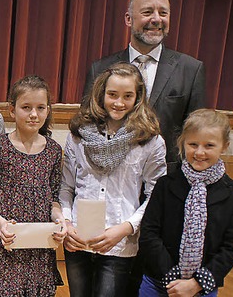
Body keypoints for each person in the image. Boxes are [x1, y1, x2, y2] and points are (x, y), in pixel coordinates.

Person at [59, 62, 167, 296]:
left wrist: (125, 229)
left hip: (119, 243)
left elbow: (156, 196)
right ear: (101, 94)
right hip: (77, 238)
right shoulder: (78, 135)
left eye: (128, 96)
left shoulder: (150, 141)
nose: (119, 103)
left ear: (138, 98)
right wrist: (67, 224)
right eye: (112, 95)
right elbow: (66, 187)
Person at [83, 0, 205, 166]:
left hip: (166, 181)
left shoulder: (191, 70)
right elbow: (88, 126)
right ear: (128, 19)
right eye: (148, 12)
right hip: (109, 178)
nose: (156, 19)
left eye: (163, 13)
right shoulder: (100, 69)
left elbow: (197, 132)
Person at [139, 109, 233, 297]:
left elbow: (232, 246)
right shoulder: (165, 185)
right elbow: (149, 233)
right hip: (158, 282)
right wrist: (172, 277)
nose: (200, 152)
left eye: (209, 145)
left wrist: (196, 284)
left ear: (224, 146)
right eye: (193, 144)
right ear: (182, 143)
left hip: (202, 287)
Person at [0, 75, 65, 296]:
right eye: (26, 107)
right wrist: (1, 223)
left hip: (40, 247)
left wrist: (59, 220)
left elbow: (54, 197)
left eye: (40, 107)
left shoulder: (53, 151)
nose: (34, 114)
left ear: (47, 110)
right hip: (7, 242)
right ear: (12, 110)